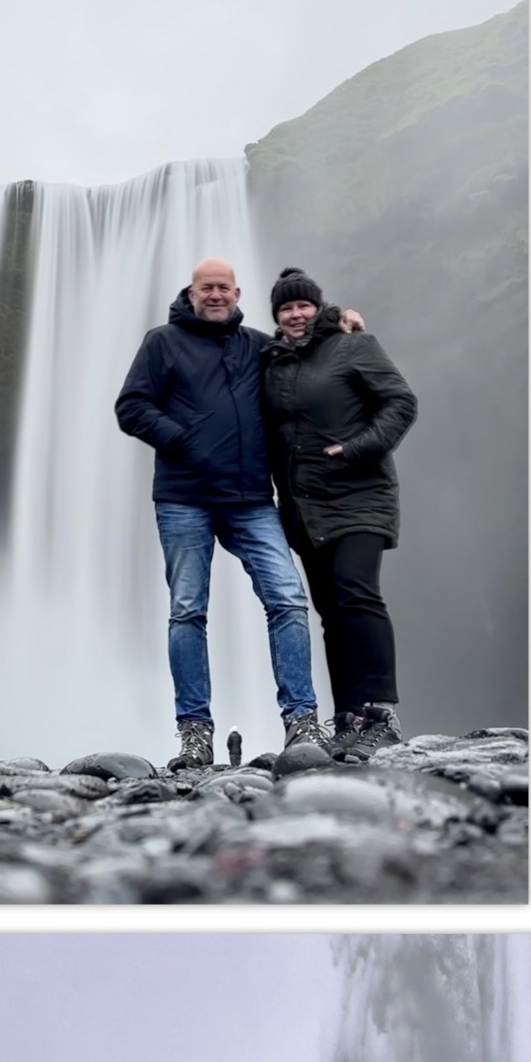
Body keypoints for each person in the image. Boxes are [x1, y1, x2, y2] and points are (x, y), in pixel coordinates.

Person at [113, 258, 362, 774]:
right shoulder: (161, 343)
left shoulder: (255, 345)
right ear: (192, 291)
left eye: (224, 287)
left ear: (237, 291)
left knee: (288, 599)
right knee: (188, 610)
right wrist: (182, 439)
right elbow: (131, 406)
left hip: (250, 499)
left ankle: (302, 720)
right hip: (184, 497)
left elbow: (303, 340)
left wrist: (339, 319)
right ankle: (195, 734)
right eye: (208, 288)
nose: (216, 295)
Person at [260, 267, 418, 761]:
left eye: (303, 305)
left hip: (360, 494)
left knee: (357, 592)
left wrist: (355, 449)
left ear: (319, 307)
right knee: (331, 612)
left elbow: (401, 402)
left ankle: (382, 713)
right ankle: (348, 717)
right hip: (305, 508)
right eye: (286, 308)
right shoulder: (273, 363)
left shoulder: (353, 345)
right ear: (277, 317)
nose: (296, 315)